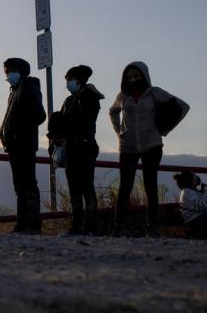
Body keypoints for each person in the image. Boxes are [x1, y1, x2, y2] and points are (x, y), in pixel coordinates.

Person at [109, 61, 189, 237]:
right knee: (125, 187)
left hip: (152, 145)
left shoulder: (155, 93)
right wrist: (118, 131)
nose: (132, 79)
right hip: (127, 146)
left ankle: (152, 227)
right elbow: (112, 111)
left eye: (136, 76)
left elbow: (183, 107)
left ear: (144, 76)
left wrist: (165, 129)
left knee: (150, 186)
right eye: (129, 77)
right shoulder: (122, 96)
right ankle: (118, 227)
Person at [48, 65, 104, 235]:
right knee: (75, 189)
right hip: (71, 147)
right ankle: (77, 225)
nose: (68, 84)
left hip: (85, 147)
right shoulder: (69, 100)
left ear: (80, 80)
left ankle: (90, 226)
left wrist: (64, 124)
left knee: (86, 187)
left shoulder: (90, 98)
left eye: (70, 80)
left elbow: (84, 122)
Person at [0, 58, 46, 234]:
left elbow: (40, 115)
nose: (8, 74)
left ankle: (33, 224)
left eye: (11, 70)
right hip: (14, 144)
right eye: (6, 71)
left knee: (27, 183)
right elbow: (9, 115)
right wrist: (3, 130)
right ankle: (22, 223)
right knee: (19, 184)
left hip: (24, 143)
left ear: (21, 71)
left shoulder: (29, 89)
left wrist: (19, 129)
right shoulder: (14, 91)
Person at [173, 171, 207, 239]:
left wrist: (203, 192)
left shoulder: (190, 191)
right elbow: (203, 205)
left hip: (198, 217)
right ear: (190, 181)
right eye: (194, 177)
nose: (196, 178)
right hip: (194, 220)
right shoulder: (187, 192)